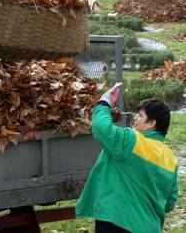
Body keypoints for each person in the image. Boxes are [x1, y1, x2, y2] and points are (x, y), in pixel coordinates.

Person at [76, 84, 178, 233]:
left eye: (141, 116)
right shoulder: (171, 158)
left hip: (117, 222)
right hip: (150, 227)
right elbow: (169, 203)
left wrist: (105, 102)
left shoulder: (132, 141)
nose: (135, 118)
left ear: (152, 123)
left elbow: (100, 127)